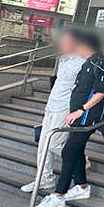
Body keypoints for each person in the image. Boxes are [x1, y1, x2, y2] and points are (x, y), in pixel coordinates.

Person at [32, 30, 104, 207]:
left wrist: (81, 110)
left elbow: (102, 91)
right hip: (78, 116)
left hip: (88, 118)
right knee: (75, 150)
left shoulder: (102, 63)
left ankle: (58, 195)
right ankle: (82, 186)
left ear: (86, 45)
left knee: (69, 150)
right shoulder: (88, 63)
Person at [20, 30, 84, 192]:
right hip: (52, 105)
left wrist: (78, 109)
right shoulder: (63, 58)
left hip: (65, 107)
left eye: (66, 40)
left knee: (54, 142)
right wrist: (48, 106)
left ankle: (79, 160)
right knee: (43, 145)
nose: (62, 43)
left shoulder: (82, 61)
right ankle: (44, 178)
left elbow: (85, 87)